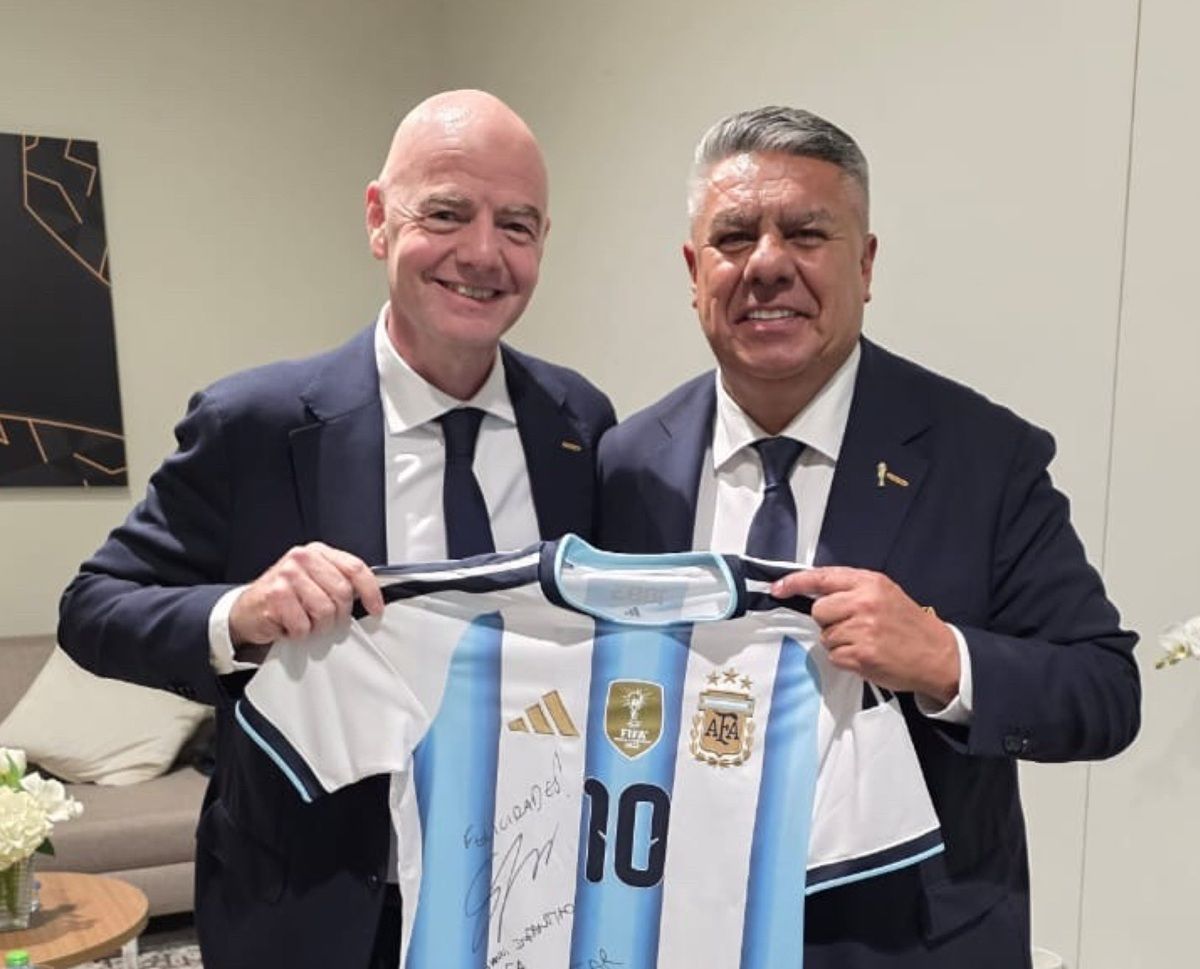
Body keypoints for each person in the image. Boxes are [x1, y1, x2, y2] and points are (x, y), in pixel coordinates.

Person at [58, 90, 615, 969]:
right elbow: (91, 607)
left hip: (526, 896)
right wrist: (239, 612)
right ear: (378, 219)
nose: (483, 252)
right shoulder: (254, 423)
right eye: (446, 213)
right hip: (309, 905)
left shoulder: (579, 423)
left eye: (516, 225)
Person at [595, 105, 1140, 968]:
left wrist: (946, 659)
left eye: (806, 233)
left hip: (906, 943)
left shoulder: (984, 455)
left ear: (867, 263)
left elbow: (1105, 691)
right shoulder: (626, 464)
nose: (767, 264)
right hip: (674, 929)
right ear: (695, 272)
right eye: (734, 238)